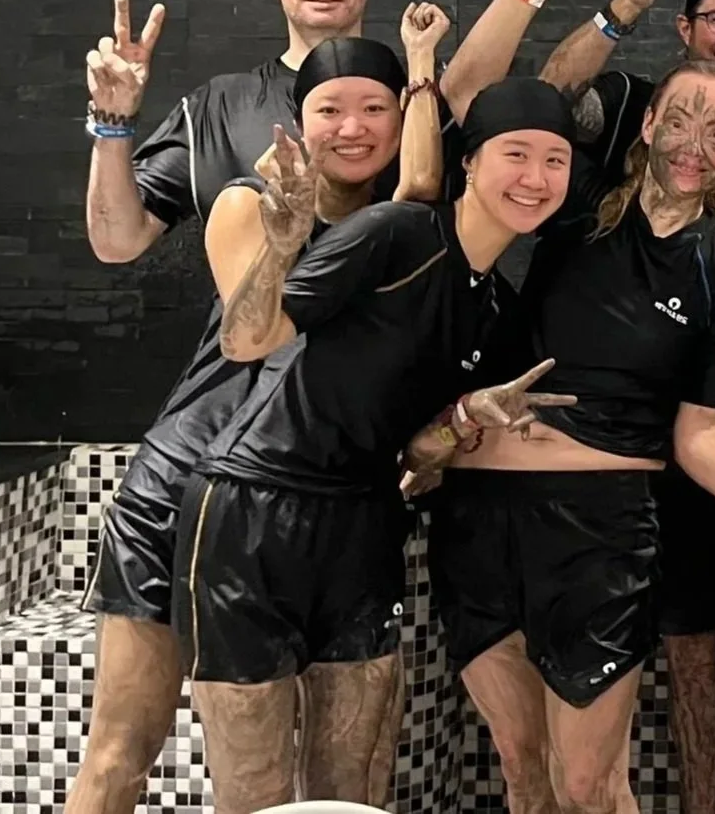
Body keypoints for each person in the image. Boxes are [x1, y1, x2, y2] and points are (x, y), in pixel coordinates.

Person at [425, 58, 715, 814]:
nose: (697, 141)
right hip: (478, 516)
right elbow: (483, 102)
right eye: (683, 118)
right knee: (522, 775)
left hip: (599, 534)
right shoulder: (576, 208)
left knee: (589, 786)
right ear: (650, 125)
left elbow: (699, 433)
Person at [172, 78, 581, 814]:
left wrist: (465, 418)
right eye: (515, 154)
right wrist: (285, 243)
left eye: (555, 161)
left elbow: (419, 460)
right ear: (469, 164)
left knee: (355, 791)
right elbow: (246, 339)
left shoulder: (497, 309)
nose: (535, 177)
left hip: (363, 523)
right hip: (252, 511)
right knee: (256, 790)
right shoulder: (395, 233)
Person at [72, 0, 379, 814]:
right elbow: (119, 239)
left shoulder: (402, 108)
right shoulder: (221, 107)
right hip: (202, 454)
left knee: (332, 786)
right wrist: (111, 122)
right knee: (120, 752)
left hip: (330, 477)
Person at [536, 0, 715, 814]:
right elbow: (547, 96)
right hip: (565, 463)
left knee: (693, 639)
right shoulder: (622, 105)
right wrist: (622, 2)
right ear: (684, 31)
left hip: (704, 435)